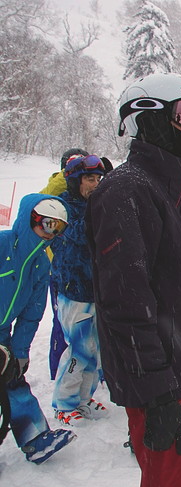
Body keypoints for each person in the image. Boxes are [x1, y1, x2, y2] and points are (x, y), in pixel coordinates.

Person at [86, 72, 181, 487]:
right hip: (164, 383)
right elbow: (124, 304)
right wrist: (157, 393)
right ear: (148, 118)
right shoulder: (126, 192)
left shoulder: (170, 194)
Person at [1, 193, 77, 464]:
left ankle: (35, 438)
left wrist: (19, 351)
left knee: (12, 380)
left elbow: (32, 314)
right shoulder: (2, 244)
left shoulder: (41, 262)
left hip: (3, 335)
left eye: (59, 228)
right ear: (31, 219)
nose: (51, 234)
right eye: (48, 224)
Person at [51, 154, 109, 425]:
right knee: (78, 350)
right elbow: (77, 234)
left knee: (94, 351)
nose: (95, 184)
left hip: (95, 290)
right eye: (89, 179)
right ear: (75, 181)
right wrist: (98, 209)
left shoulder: (93, 206)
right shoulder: (62, 206)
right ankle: (64, 403)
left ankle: (84, 398)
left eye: (98, 179)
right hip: (73, 290)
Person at [42, 148, 87, 380]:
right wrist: (67, 172)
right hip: (60, 270)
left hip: (85, 272)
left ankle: (84, 376)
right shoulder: (56, 189)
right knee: (62, 324)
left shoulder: (87, 194)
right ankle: (57, 372)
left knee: (86, 330)